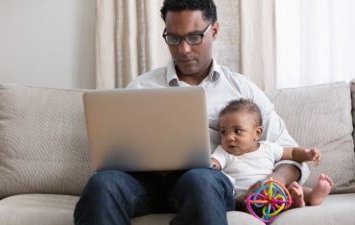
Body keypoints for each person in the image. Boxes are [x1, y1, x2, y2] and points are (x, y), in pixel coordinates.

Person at [74, 0, 310, 224]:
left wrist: (274, 181)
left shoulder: (241, 89)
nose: (184, 49)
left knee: (201, 180)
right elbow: (114, 148)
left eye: (194, 37)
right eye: (174, 38)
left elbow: (290, 152)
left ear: (214, 31)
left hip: (203, 183)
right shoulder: (141, 86)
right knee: (101, 184)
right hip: (144, 183)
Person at [211, 99, 334, 209]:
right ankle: (292, 202)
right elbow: (213, 163)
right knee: (252, 201)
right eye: (224, 132)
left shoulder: (267, 147)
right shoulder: (223, 152)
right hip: (246, 196)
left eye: (237, 131)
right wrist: (210, 164)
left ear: (257, 133)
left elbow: (291, 152)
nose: (229, 137)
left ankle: (312, 196)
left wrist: (307, 154)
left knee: (291, 187)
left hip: (271, 190)